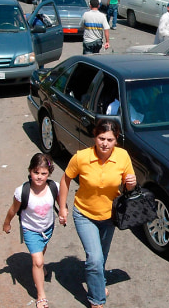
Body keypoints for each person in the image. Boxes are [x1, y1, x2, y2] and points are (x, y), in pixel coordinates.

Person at [58, 119, 137, 308]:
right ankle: (97, 300)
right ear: (95, 137)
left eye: (110, 139)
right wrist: (62, 207)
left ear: (116, 140)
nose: (104, 143)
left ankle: (97, 284)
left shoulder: (123, 156)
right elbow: (65, 179)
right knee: (94, 258)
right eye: (101, 138)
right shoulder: (81, 157)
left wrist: (132, 184)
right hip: (84, 214)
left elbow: (129, 187)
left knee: (100, 257)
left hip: (110, 216)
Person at [3, 153, 58, 308]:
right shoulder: (22, 191)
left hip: (47, 228)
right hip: (30, 230)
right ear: (29, 171)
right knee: (38, 261)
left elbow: (61, 203)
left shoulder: (54, 187)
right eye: (36, 172)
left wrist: (63, 213)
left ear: (49, 173)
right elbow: (13, 209)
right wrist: (7, 223)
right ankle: (41, 295)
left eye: (43, 173)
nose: (39, 177)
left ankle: (40, 267)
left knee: (42, 251)